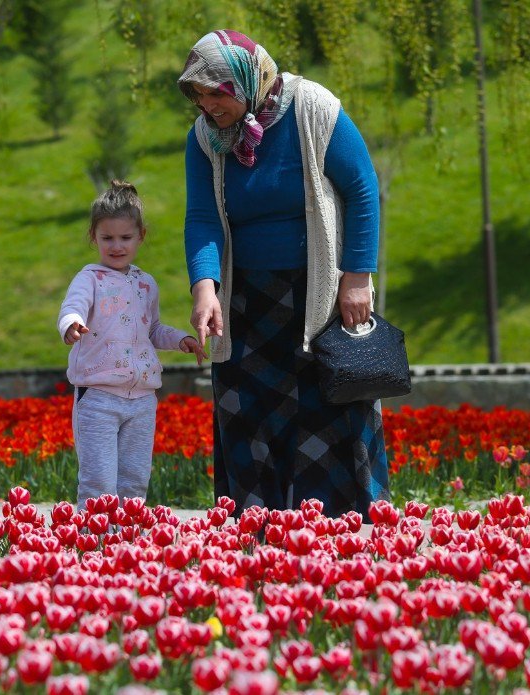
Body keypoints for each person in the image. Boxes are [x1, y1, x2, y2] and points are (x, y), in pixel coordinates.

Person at [177, 30, 390, 520]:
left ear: (248, 80)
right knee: (248, 416)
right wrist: (205, 288)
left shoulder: (311, 107)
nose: (208, 105)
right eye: (199, 94)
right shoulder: (205, 139)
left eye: (217, 92)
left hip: (318, 296)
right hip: (245, 303)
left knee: (324, 416)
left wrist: (357, 277)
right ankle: (258, 538)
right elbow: (203, 218)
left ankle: (331, 532)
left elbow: (361, 189)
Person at [58, 180, 207, 509]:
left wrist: (179, 339)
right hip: (98, 397)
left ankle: (128, 543)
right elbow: (72, 307)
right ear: (93, 237)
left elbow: (152, 329)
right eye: (106, 238)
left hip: (142, 400)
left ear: (140, 236)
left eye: (125, 238)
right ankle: (93, 543)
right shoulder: (89, 278)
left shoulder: (145, 283)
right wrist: (70, 324)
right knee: (99, 480)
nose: (116, 246)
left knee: (135, 479)